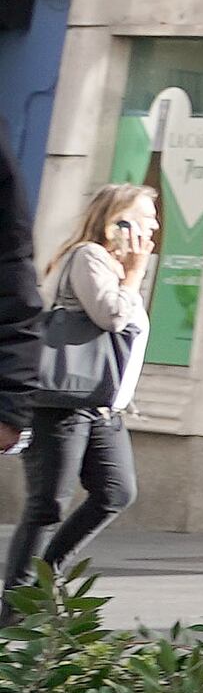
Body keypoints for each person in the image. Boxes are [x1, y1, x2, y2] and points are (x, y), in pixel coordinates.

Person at [7, 178, 130, 602]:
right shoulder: (90, 257)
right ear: (118, 224)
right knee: (47, 506)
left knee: (116, 492)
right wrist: (133, 275)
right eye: (145, 220)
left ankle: (46, 577)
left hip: (102, 406)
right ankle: (14, 608)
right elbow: (111, 316)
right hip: (64, 401)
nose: (153, 231)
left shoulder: (114, 267)